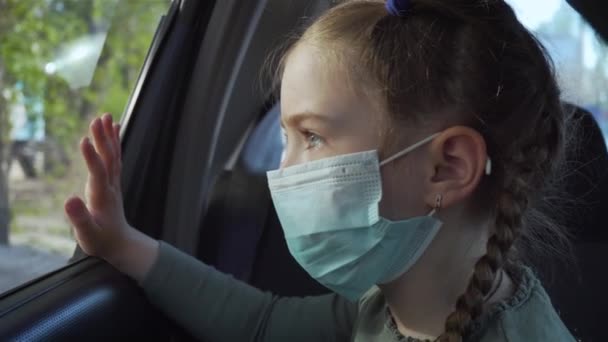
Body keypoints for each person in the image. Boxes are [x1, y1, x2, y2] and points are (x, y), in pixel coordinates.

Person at [64, 0, 576, 341]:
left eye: (311, 137)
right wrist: (121, 243)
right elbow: (260, 323)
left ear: (446, 167)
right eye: (285, 137)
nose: (282, 170)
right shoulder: (380, 306)